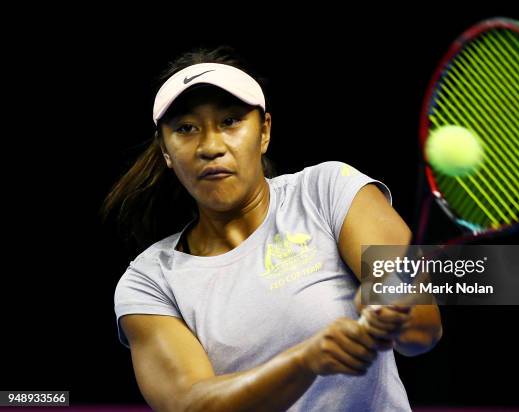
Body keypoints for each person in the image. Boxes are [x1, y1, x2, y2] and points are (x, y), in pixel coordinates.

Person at [104, 47, 442, 412]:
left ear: (263, 131)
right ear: (166, 151)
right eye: (186, 129)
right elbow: (189, 404)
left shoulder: (328, 191)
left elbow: (422, 329)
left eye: (230, 121)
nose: (211, 146)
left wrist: (395, 309)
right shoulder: (149, 281)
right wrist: (305, 360)